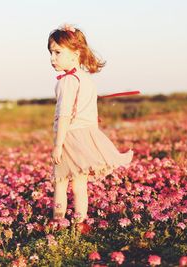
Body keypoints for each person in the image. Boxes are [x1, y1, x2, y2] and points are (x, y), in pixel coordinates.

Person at [48, 23, 134, 226]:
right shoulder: (86, 79)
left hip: (70, 136)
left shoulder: (66, 81)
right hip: (87, 135)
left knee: (60, 182)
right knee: (80, 184)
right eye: (51, 53)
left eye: (58, 52)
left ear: (75, 53)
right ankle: (81, 223)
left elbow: (65, 115)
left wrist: (58, 144)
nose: (52, 58)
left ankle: (57, 221)